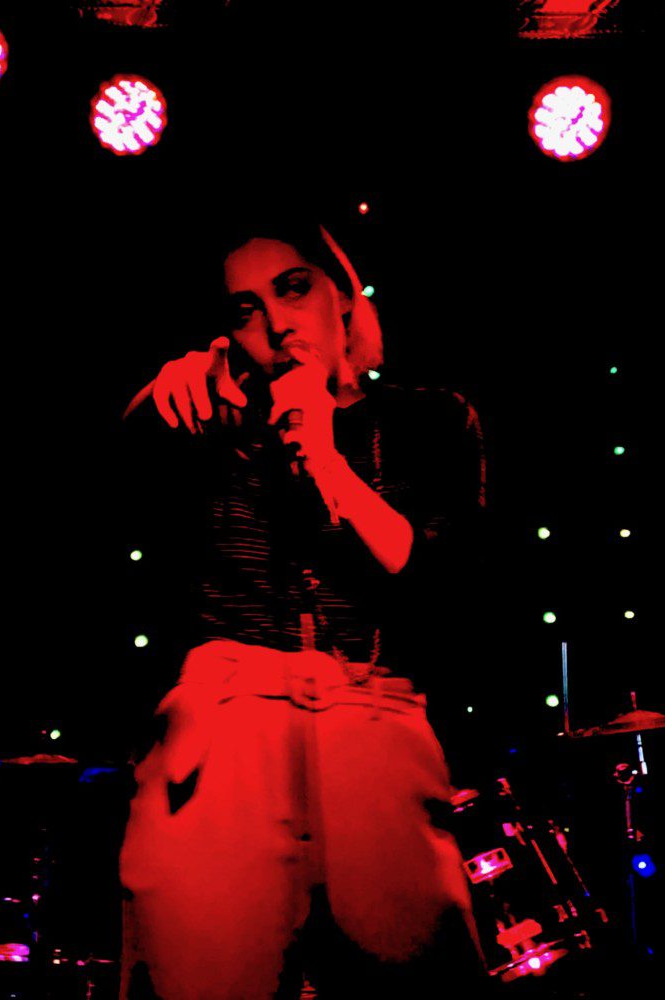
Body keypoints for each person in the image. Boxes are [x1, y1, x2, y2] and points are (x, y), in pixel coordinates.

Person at [117, 216, 487, 999]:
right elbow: (106, 486)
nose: (276, 321)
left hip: (374, 717)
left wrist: (324, 453)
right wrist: (159, 395)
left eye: (293, 288)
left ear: (342, 294)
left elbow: (443, 581)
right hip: (227, 715)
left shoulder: (430, 418)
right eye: (244, 308)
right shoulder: (211, 419)